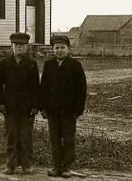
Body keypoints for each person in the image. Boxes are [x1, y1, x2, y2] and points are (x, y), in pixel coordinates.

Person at [40, 35, 87, 179]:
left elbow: (82, 89)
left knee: (68, 140)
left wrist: (78, 110)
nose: (59, 50)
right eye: (56, 48)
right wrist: (43, 108)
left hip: (69, 112)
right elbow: (43, 88)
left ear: (68, 49)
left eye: (62, 48)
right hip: (52, 111)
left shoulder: (75, 65)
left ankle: (67, 167)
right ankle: (56, 166)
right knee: (54, 139)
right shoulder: (49, 65)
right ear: (53, 49)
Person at [0, 32, 40, 176]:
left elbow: (35, 87)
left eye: (22, 45)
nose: (19, 47)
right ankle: (10, 165)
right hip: (10, 107)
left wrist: (35, 105)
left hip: (27, 108)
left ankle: (27, 165)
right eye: (16, 45)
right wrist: (0, 103)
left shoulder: (32, 64)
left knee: (26, 137)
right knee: (12, 136)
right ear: (11, 46)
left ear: (27, 47)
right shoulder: (4, 63)